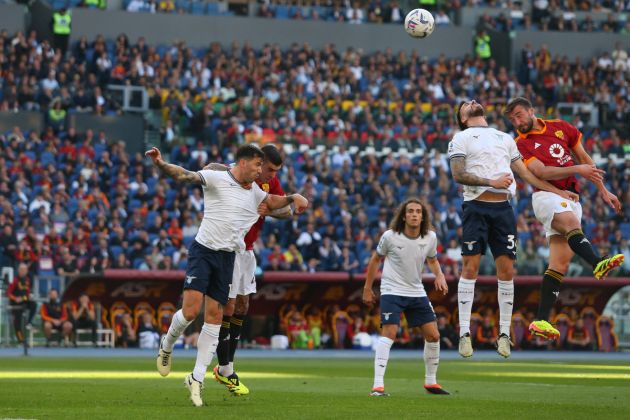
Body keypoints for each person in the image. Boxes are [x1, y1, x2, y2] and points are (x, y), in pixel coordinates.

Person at [148, 144, 307, 407]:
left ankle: (198, 377)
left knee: (217, 315)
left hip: (229, 256)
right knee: (190, 312)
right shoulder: (216, 176)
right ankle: (167, 345)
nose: (261, 172)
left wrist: (293, 197)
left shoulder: (257, 191)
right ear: (246, 162)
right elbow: (185, 174)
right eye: (259, 166)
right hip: (203, 251)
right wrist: (160, 163)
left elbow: (277, 204)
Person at [448, 99, 578, 359]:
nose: (472, 102)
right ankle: (464, 333)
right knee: (470, 267)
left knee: (507, 270)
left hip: (503, 209)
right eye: (465, 104)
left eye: (473, 101)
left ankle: (504, 334)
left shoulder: (504, 138)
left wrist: (556, 190)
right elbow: (458, 174)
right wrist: (492, 181)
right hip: (476, 206)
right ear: (463, 117)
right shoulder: (460, 138)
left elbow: (528, 175)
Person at [504, 97, 625, 340]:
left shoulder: (561, 127)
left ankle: (541, 320)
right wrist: (576, 170)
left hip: (571, 197)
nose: (517, 122)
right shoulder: (521, 143)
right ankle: (597, 263)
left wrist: (603, 190)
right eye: (512, 119)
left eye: (519, 115)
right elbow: (540, 171)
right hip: (546, 196)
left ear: (531, 110)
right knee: (571, 225)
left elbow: (585, 159)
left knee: (559, 264)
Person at [211, 144, 292, 396]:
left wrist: (271, 209)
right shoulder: (240, 174)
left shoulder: (270, 184)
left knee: (243, 306)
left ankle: (227, 366)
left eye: (277, 171)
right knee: (227, 306)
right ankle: (224, 367)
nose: (272, 175)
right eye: (269, 169)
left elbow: (287, 211)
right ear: (258, 161)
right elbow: (214, 168)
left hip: (247, 251)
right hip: (228, 248)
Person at [363, 198, 450, 397]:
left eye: (418, 211)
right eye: (410, 211)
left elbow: (433, 259)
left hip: (416, 291)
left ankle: (431, 382)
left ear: (422, 216)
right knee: (390, 334)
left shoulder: (430, 237)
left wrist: (439, 275)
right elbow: (376, 259)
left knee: (434, 335)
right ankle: (377, 386)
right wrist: (367, 288)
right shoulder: (390, 236)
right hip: (392, 290)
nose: (414, 214)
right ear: (403, 216)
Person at [7, 263, 37, 343]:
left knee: (33, 304)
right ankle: (20, 339)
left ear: (27, 271)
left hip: (24, 300)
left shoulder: (27, 280)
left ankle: (29, 322)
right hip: (15, 303)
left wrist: (28, 296)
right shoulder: (14, 280)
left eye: (24, 270)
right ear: (18, 270)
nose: (23, 271)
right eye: (21, 270)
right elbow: (8, 293)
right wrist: (15, 298)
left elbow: (27, 292)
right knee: (17, 321)